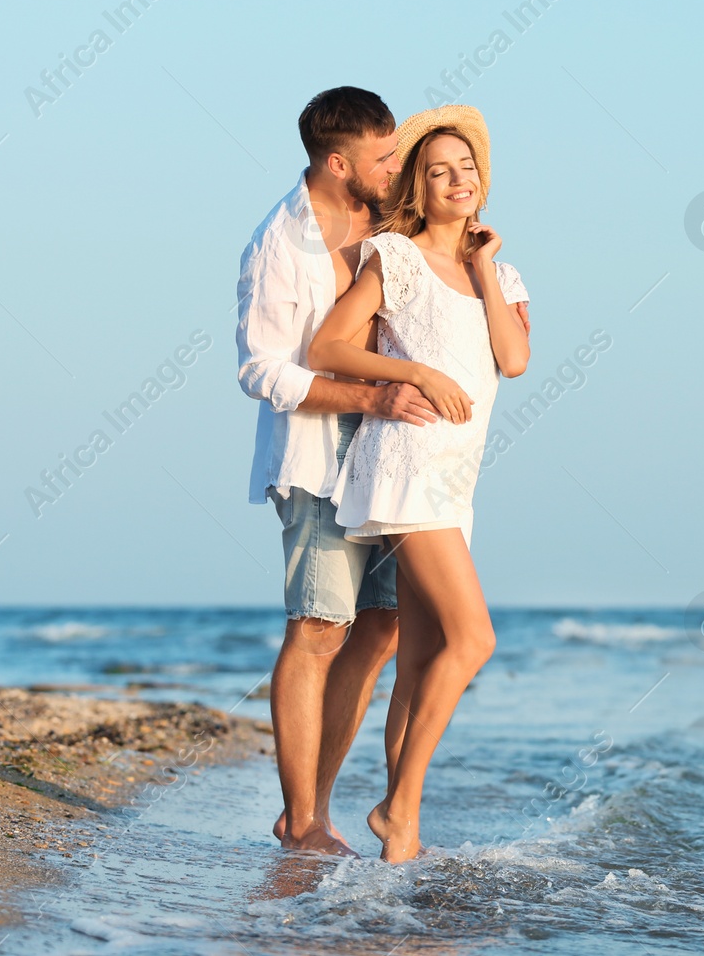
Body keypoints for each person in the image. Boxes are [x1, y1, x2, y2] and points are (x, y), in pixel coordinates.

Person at [307, 105, 530, 862]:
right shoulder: (394, 258)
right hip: (405, 467)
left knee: (419, 659)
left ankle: (400, 842)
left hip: (456, 480)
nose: (456, 180)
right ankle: (398, 808)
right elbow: (329, 344)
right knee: (475, 638)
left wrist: (485, 272)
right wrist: (415, 370)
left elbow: (515, 358)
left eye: (465, 168)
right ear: (419, 187)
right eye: (438, 171)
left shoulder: (499, 272)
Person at [236, 87, 440, 856]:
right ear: (336, 161)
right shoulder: (279, 242)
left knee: (384, 626)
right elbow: (260, 369)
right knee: (318, 629)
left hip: (393, 457)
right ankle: (303, 823)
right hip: (317, 458)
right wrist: (369, 395)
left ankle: (312, 809)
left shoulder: (391, 219)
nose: (397, 166)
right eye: (383, 156)